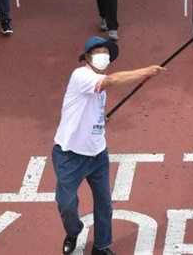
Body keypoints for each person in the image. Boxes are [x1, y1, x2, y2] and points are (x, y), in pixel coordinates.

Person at [52, 36, 165, 255]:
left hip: (98, 153)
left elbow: (92, 108)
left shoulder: (99, 82)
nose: (103, 55)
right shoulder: (81, 75)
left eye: (106, 51)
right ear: (87, 57)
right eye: (98, 51)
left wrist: (99, 121)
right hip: (69, 154)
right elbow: (112, 81)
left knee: (104, 203)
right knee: (66, 204)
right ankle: (74, 231)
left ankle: (101, 246)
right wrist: (146, 71)